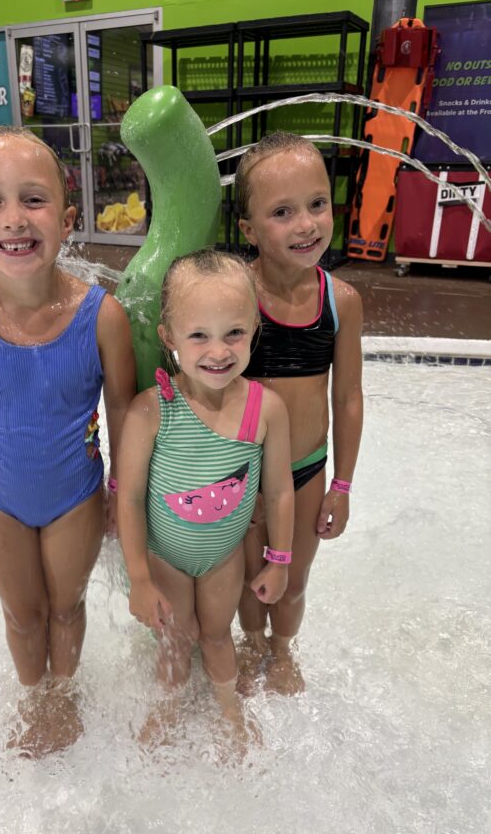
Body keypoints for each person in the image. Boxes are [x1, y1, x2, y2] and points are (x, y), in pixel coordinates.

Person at [0, 125, 136, 757]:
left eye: (34, 199)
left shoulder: (102, 315)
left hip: (75, 496)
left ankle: (62, 698)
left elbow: (123, 414)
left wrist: (119, 494)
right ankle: (33, 698)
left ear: (68, 220)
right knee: (22, 614)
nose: (14, 219)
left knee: (66, 607)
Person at [117, 249, 294, 749]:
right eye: (199, 335)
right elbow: (129, 498)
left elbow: (280, 490)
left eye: (233, 332)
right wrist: (139, 578)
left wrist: (279, 560)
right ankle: (167, 708)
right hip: (166, 558)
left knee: (217, 634)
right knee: (177, 638)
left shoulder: (266, 410)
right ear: (169, 337)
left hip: (223, 558)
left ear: (255, 328)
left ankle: (229, 708)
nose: (219, 351)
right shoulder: (152, 410)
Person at [235, 131, 364, 695]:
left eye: (316, 204)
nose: (306, 225)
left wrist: (342, 484)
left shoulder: (341, 302)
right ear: (249, 230)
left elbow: (348, 397)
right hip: (241, 471)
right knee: (248, 575)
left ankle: (282, 647)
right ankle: (251, 642)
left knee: (293, 574)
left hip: (306, 469)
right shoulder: (235, 293)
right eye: (282, 212)